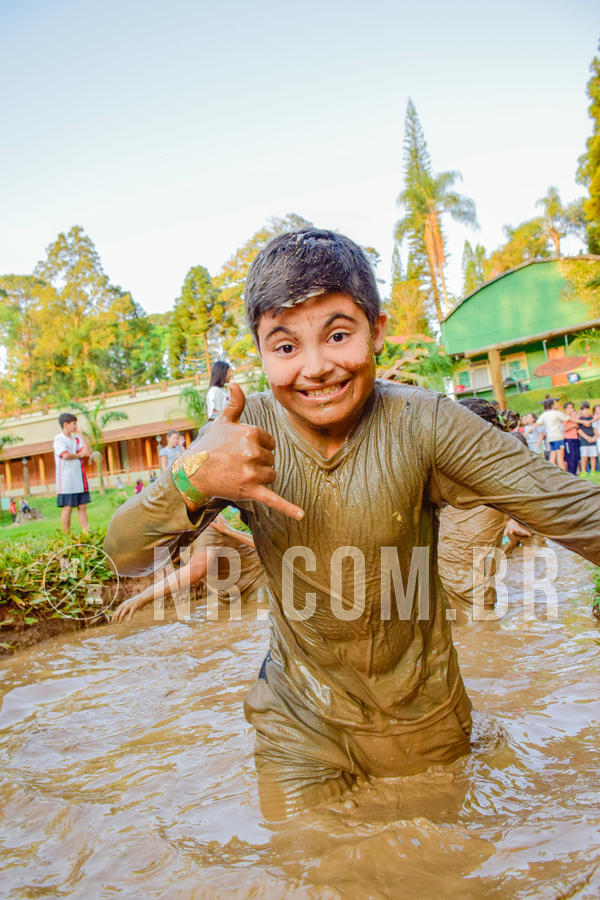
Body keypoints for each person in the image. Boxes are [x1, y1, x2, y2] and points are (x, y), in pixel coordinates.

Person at [104, 228, 600, 823]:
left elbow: (573, 511)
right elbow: (125, 556)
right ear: (261, 353)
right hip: (297, 722)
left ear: (377, 331)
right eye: (286, 346)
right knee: (311, 871)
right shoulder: (240, 438)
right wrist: (189, 479)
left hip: (425, 726)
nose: (316, 369)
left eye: (338, 335)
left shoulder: (427, 423)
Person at [437, 399, 530, 619]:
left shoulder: (463, 466)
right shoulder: (500, 463)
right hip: (477, 577)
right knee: (480, 611)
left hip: (455, 577)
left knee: (468, 622)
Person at [112, 513, 264, 623]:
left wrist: (143, 597)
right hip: (227, 596)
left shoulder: (206, 527)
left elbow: (195, 570)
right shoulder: (177, 535)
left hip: (257, 587)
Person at [53, 412, 91, 533]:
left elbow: (88, 452)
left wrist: (83, 437)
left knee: (82, 506)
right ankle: (66, 534)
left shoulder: (77, 439)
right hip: (66, 480)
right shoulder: (59, 439)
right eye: (74, 423)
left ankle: (87, 532)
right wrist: (79, 455)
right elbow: (65, 455)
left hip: (79, 478)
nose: (76, 426)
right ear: (66, 424)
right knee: (68, 507)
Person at [535, 398, 568, 469]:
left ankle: (552, 472)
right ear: (552, 405)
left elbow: (537, 423)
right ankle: (564, 472)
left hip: (551, 439)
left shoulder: (545, 414)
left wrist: (527, 432)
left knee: (553, 456)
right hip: (558, 438)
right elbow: (567, 418)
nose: (557, 404)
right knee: (560, 457)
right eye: (556, 403)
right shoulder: (556, 413)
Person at [578, 401, 598, 474]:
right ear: (581, 410)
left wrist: (594, 437)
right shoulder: (580, 419)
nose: (586, 411)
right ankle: (583, 471)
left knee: (593, 456)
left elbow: (595, 429)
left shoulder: (592, 418)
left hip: (593, 440)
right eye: (584, 409)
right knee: (584, 456)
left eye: (587, 409)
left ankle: (593, 471)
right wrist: (587, 438)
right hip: (584, 441)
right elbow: (579, 430)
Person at [563, 402, 581, 476]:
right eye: (570, 407)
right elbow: (565, 428)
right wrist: (574, 425)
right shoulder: (564, 417)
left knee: (577, 456)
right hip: (568, 439)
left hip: (576, 438)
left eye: (572, 407)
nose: (572, 409)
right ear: (565, 409)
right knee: (571, 456)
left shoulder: (574, 418)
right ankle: (571, 473)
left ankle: (575, 472)